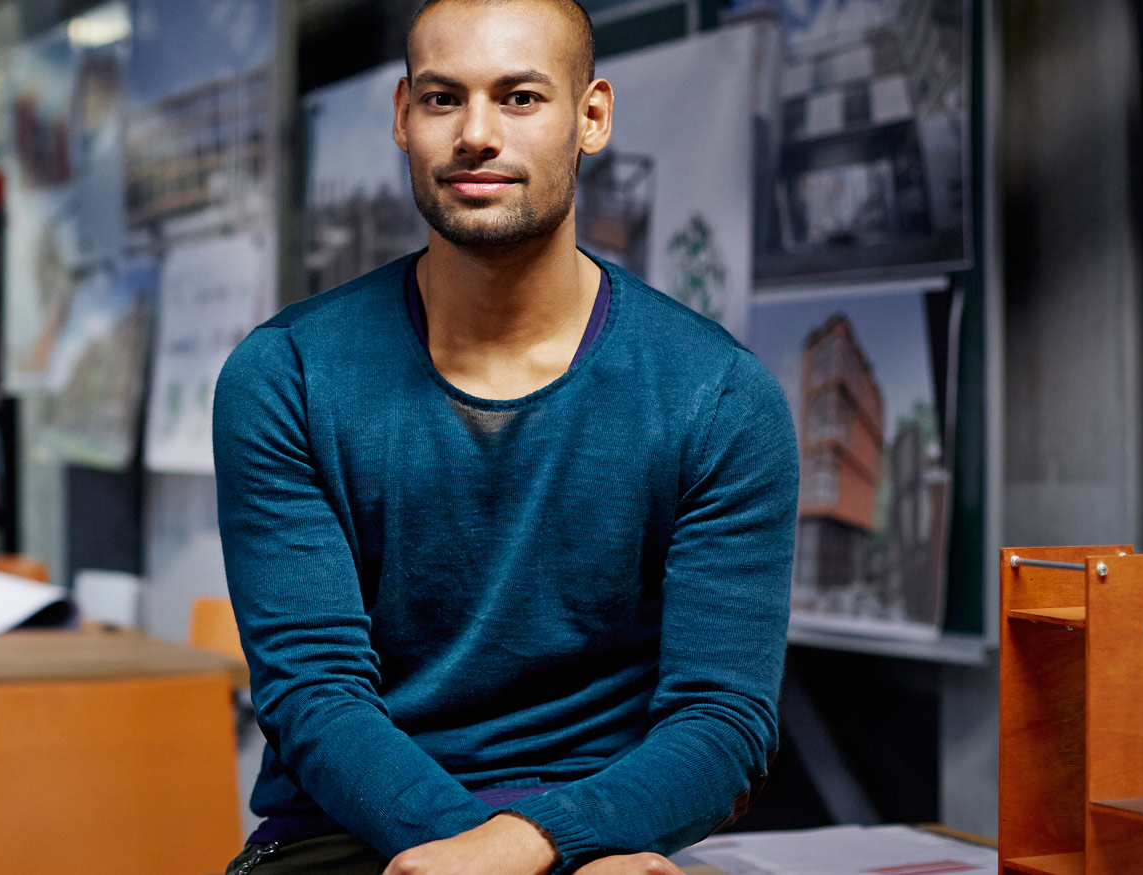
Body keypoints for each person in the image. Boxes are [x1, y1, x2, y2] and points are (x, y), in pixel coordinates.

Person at [212, 1, 799, 872]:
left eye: (521, 98)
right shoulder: (285, 376)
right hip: (348, 835)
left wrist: (536, 845)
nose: (476, 134)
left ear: (591, 116)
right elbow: (314, 693)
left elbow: (722, 717)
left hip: (606, 832)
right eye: (445, 100)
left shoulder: (719, 397)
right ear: (405, 118)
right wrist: (485, 853)